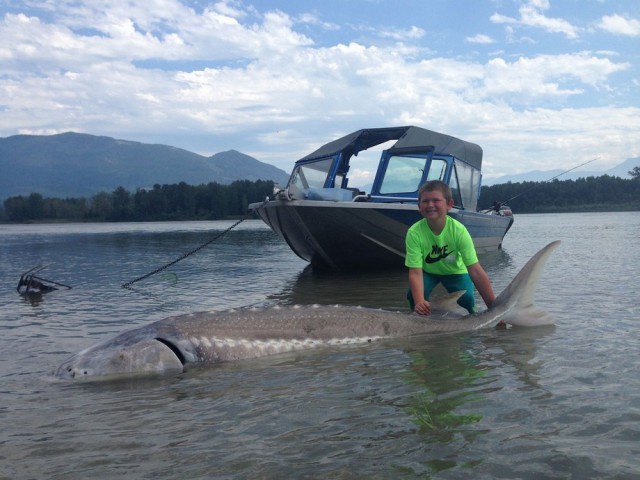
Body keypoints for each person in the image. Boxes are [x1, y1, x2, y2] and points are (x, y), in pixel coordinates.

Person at [405, 180, 495, 316]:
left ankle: (472, 325)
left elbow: (476, 271)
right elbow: (415, 272)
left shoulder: (459, 231)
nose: (430, 205)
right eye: (425, 201)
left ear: (449, 204)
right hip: (429, 272)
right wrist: (419, 303)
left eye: (436, 200)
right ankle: (417, 321)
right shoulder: (414, 232)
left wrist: (494, 309)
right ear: (419, 206)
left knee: (467, 300)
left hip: (456, 272)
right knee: (414, 295)